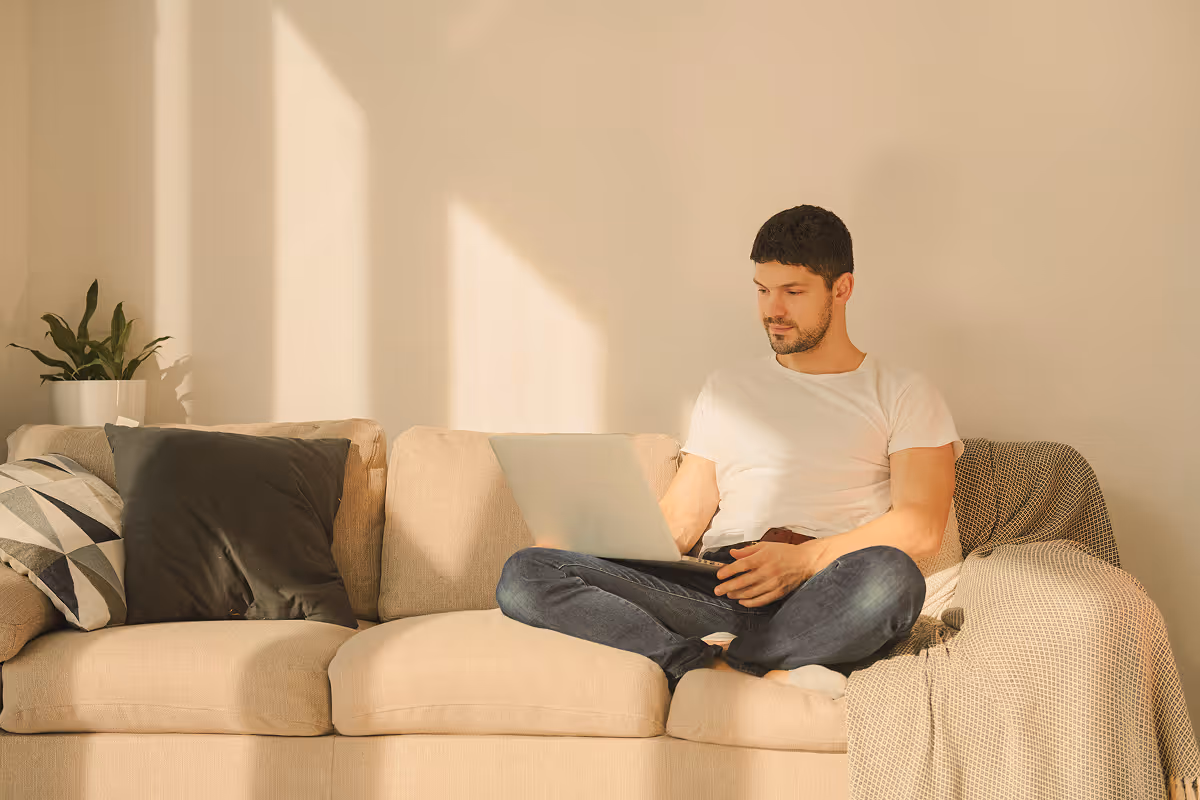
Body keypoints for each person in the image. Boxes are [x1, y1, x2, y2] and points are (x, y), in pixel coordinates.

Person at [494, 204, 964, 695]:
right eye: (762, 290)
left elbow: (921, 525)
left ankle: (744, 661)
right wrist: (584, 545)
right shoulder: (728, 388)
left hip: (824, 589)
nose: (772, 310)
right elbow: (679, 523)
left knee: (893, 579)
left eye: (793, 292)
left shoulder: (902, 391)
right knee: (525, 572)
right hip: (720, 588)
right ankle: (709, 669)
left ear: (841, 289)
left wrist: (802, 563)